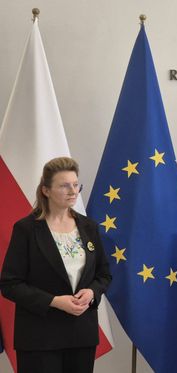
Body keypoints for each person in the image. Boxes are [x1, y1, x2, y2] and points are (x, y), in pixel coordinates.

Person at [0, 157, 111, 373]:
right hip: (40, 337)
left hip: (81, 335)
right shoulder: (26, 229)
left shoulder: (89, 227)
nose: (73, 191)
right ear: (46, 190)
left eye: (75, 184)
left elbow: (104, 274)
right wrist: (54, 301)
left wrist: (92, 292)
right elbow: (10, 284)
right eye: (64, 186)